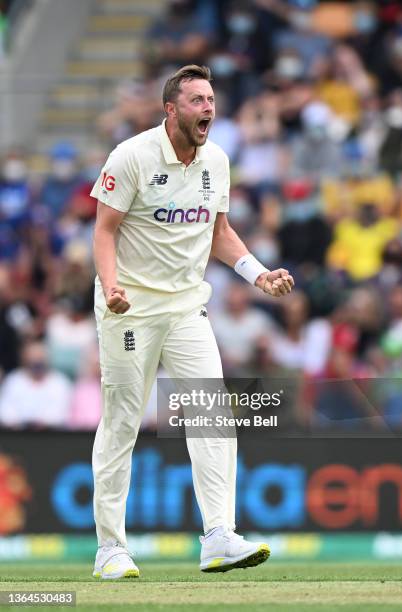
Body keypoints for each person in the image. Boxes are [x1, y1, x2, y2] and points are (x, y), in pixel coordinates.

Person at [91, 64, 294, 580]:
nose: (208, 108)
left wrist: (257, 275)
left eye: (210, 99)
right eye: (198, 100)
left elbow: (218, 232)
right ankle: (110, 549)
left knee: (213, 415)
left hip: (185, 307)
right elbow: (104, 230)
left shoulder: (217, 161)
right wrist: (112, 287)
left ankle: (218, 536)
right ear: (171, 109)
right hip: (129, 306)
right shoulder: (132, 155)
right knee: (123, 422)